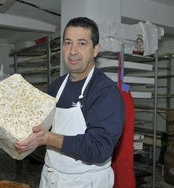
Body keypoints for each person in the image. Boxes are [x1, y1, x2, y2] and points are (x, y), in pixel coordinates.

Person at [14, 17, 125, 188]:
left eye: (81, 43)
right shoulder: (57, 86)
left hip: (86, 181)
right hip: (52, 176)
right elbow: (39, 127)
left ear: (95, 50)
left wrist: (48, 138)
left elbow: (99, 148)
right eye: (67, 43)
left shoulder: (105, 91)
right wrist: (8, 135)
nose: (72, 51)